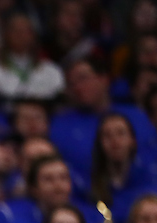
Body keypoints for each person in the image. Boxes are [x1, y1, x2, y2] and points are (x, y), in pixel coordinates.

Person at [51, 56, 157, 190]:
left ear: (103, 79)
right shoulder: (60, 124)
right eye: (71, 83)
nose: (77, 87)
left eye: (82, 78)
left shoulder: (136, 115)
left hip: (143, 190)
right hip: (86, 196)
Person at [88, 112, 157, 223]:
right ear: (100, 143)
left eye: (121, 133)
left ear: (133, 140)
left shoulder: (150, 180)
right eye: (107, 135)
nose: (115, 140)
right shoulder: (90, 185)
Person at [0, 11, 64, 100]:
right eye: (16, 30)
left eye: (25, 31)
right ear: (6, 35)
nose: (20, 35)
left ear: (33, 36)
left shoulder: (52, 70)